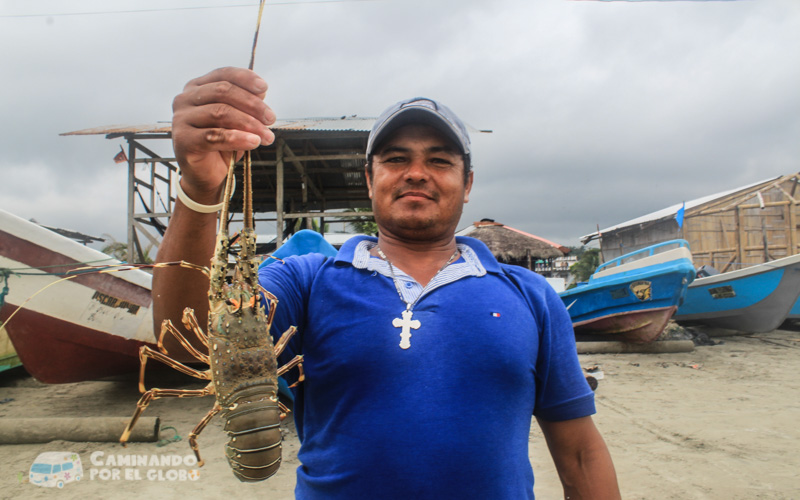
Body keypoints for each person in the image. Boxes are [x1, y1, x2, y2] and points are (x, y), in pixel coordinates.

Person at [154, 67, 620, 499]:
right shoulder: (307, 279)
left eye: (439, 160)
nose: (416, 172)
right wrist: (200, 190)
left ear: (468, 182)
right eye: (396, 158)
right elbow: (188, 336)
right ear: (369, 177)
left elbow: (579, 450)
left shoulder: (530, 296)